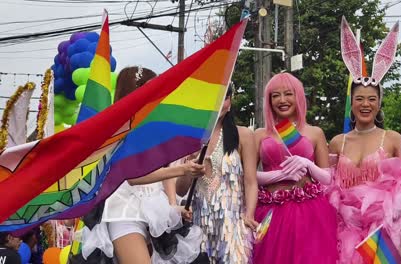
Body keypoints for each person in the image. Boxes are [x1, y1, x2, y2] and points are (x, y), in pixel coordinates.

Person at [328, 17, 401, 263]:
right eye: (359, 99)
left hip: (382, 236)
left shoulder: (392, 139)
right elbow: (328, 189)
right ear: (352, 104)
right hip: (343, 234)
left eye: (371, 99)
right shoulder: (336, 142)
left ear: (379, 103)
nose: (365, 104)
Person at [81, 66, 205, 264]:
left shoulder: (158, 130)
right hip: (123, 211)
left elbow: (166, 174)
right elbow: (131, 176)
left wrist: (173, 208)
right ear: (132, 92)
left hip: (156, 212)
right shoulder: (117, 133)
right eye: (150, 90)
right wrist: (182, 169)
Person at [252, 72, 338, 263]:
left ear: (298, 96)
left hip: (310, 212)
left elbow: (328, 177)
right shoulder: (258, 134)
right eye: (275, 95)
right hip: (270, 213)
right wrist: (278, 175)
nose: (282, 100)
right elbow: (247, 176)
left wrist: (308, 164)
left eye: (288, 94)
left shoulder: (315, 132)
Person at [176, 85, 258, 264]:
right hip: (200, 225)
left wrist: (249, 215)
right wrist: (189, 164)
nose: (219, 103)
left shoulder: (243, 135)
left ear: (230, 100)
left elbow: (251, 182)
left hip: (233, 223)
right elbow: (181, 190)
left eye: (224, 97)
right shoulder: (190, 138)